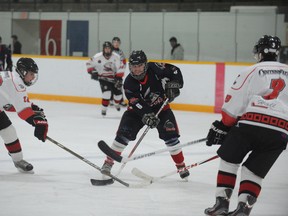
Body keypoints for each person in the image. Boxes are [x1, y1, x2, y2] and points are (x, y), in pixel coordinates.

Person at [204, 35, 288, 216]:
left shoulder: (252, 70)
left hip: (251, 124)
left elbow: (235, 102)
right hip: (280, 131)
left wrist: (224, 125)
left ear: (260, 51)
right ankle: (243, 209)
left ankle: (221, 205)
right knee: (254, 171)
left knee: (229, 160)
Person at [100, 50, 190, 180]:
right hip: (136, 112)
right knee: (123, 134)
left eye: (139, 66)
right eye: (133, 66)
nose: (136, 69)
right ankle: (108, 163)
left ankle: (181, 166)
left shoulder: (155, 68)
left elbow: (174, 70)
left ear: (145, 65)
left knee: (171, 137)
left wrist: (175, 84)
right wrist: (146, 114)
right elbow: (136, 103)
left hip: (161, 108)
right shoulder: (129, 83)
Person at [0, 57, 49, 173]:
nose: (33, 77)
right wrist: (39, 123)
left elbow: (9, 104)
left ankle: (18, 160)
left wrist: (30, 107)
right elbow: (23, 112)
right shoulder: (17, 84)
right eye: (31, 74)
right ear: (23, 72)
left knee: (9, 132)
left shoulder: (12, 78)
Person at [86, 41, 125, 116]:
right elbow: (88, 63)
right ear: (103, 49)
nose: (107, 50)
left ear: (111, 49)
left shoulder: (116, 57)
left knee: (118, 96)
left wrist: (119, 77)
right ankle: (104, 109)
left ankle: (116, 103)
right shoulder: (98, 56)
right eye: (106, 48)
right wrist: (92, 71)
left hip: (115, 79)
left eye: (109, 48)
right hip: (103, 79)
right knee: (106, 94)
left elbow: (121, 66)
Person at [111, 36, 127, 107]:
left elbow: (124, 61)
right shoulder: (110, 51)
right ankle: (111, 99)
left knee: (119, 86)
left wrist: (121, 70)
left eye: (117, 42)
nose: (116, 44)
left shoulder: (120, 52)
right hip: (111, 72)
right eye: (115, 42)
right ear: (112, 43)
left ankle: (121, 100)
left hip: (119, 73)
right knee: (111, 85)